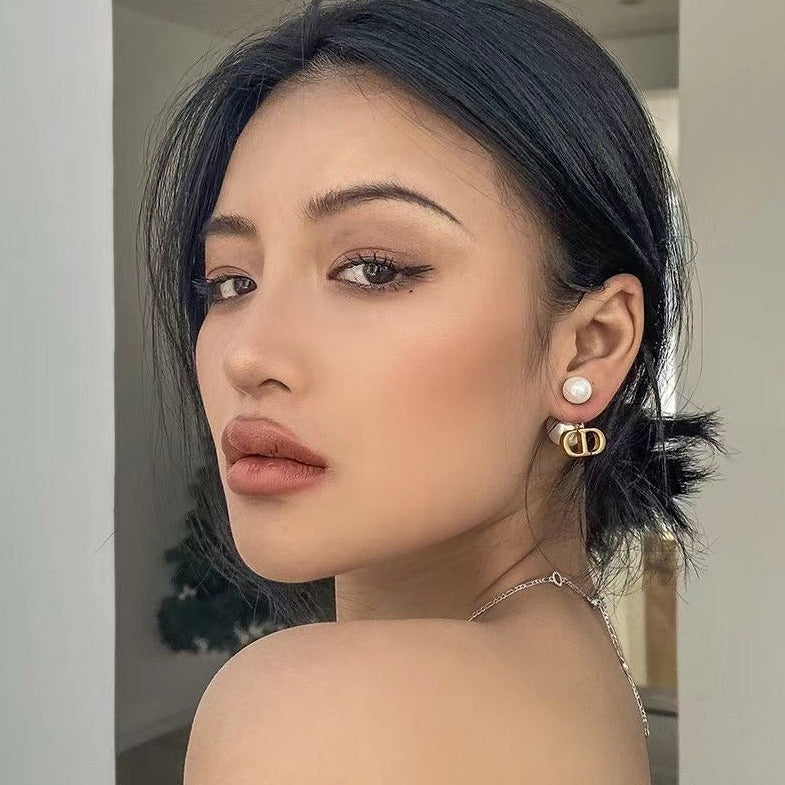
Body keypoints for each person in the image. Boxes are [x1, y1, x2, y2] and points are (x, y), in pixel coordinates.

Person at [140, 0, 724, 782]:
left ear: (590, 342)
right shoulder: (572, 667)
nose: (246, 354)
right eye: (230, 281)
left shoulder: (315, 713)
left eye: (372, 268)